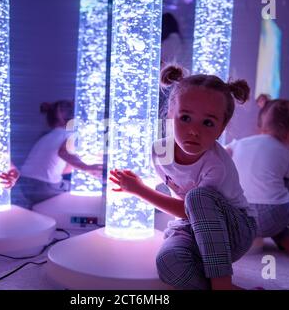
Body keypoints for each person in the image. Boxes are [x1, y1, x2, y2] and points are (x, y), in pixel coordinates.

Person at [109, 65, 257, 290]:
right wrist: (131, 181)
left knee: (198, 197)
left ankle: (222, 284)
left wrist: (138, 189)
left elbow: (189, 207)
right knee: (168, 263)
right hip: (190, 228)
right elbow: (182, 205)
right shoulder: (159, 152)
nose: (194, 131)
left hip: (235, 230)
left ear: (221, 129)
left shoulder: (216, 164)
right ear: (170, 115)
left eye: (208, 123)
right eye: (185, 118)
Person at [227, 94, 289, 260]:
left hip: (241, 217)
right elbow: (286, 191)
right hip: (274, 217)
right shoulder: (286, 154)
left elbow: (222, 153)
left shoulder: (239, 144)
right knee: (288, 189)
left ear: (261, 127)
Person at [18, 100, 102, 206]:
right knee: (79, 191)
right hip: (44, 186)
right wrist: (87, 167)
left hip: (25, 185)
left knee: (68, 185)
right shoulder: (69, 134)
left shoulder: (48, 136)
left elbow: (61, 169)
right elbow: (64, 153)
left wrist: (81, 163)